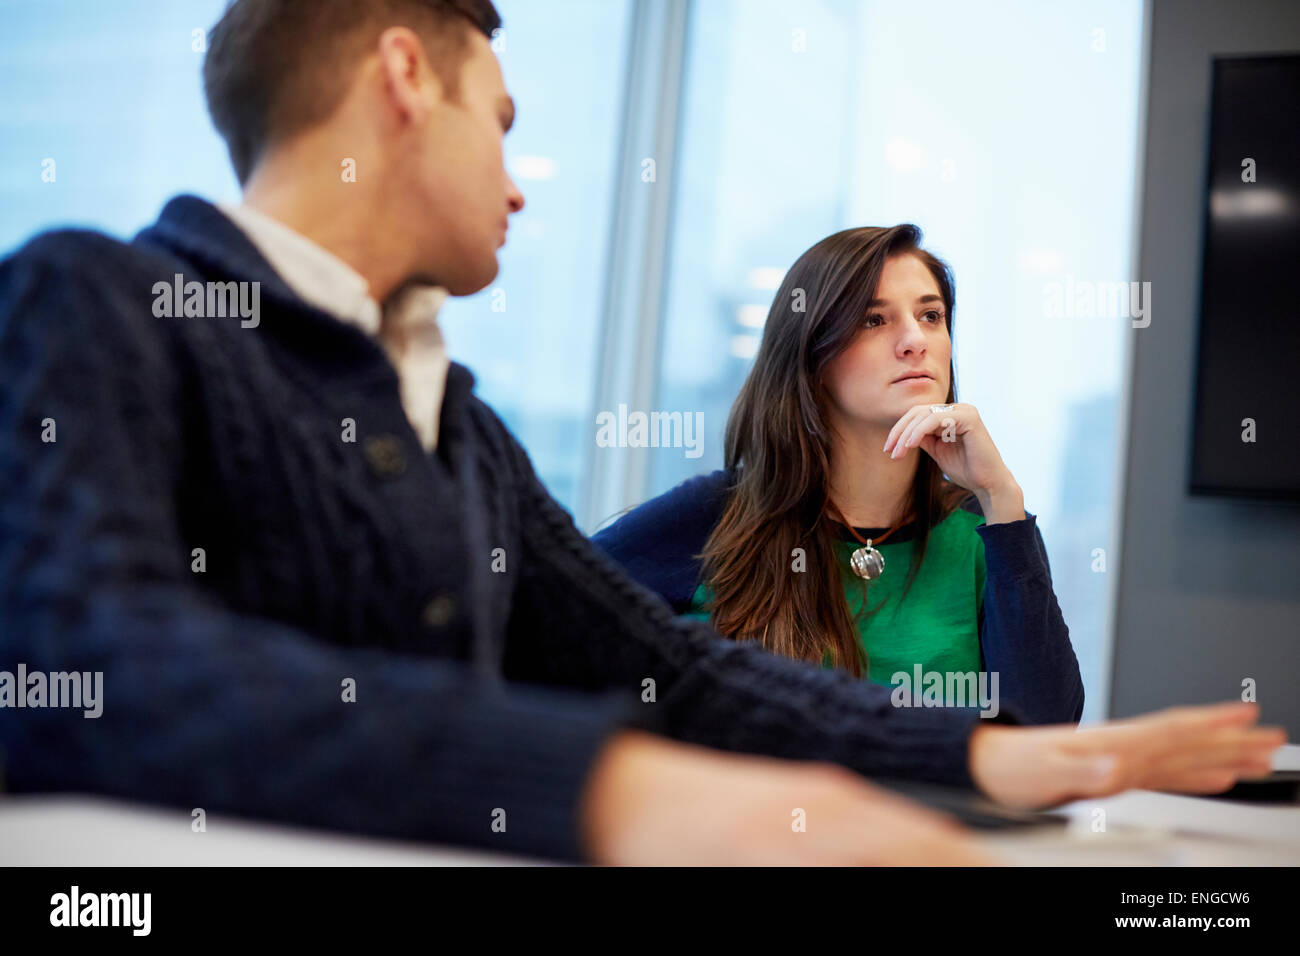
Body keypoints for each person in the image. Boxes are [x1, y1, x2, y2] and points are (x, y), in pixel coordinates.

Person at [0, 0, 1283, 867]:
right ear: (402, 76)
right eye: (499, 124)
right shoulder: (97, 297)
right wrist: (620, 788)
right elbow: (94, 667)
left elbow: (686, 676)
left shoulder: (461, 432)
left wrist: (995, 753)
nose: (514, 181)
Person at [594, 225, 1082, 725]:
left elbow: (1045, 733)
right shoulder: (712, 515)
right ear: (814, 355)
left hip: (924, 804)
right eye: (875, 320)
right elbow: (545, 615)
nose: (916, 340)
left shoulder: (990, 528)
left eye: (931, 315)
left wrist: (1002, 495)